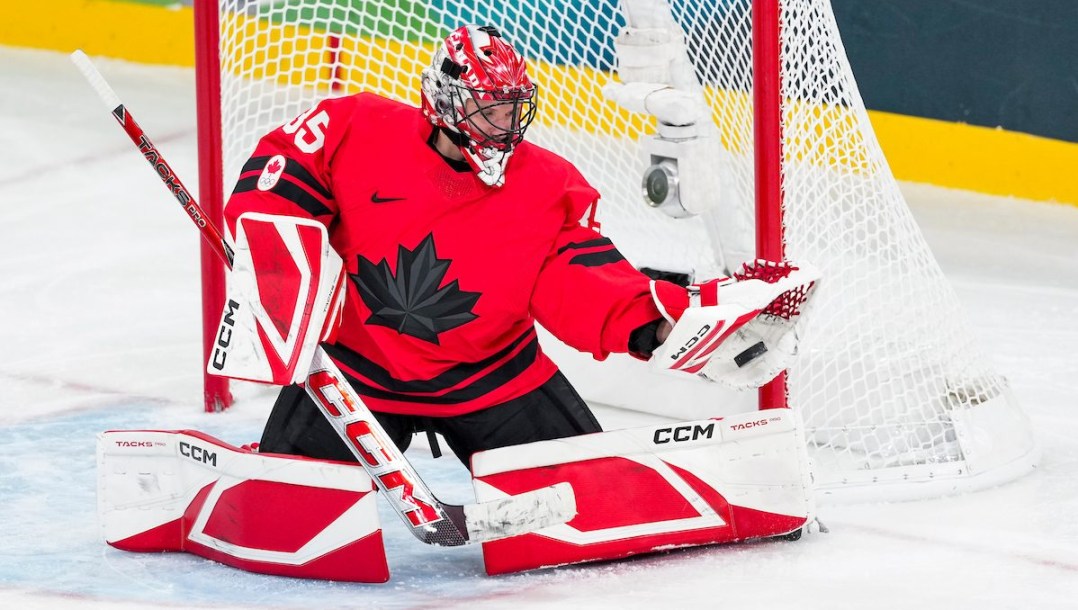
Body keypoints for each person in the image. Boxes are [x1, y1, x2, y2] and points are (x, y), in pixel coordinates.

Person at [223, 24, 686, 469]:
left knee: (592, 500)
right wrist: (277, 260)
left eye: (512, 106)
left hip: (493, 378)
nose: (506, 122)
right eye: (490, 107)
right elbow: (275, 187)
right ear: (444, 102)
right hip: (352, 374)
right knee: (288, 514)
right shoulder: (355, 127)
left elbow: (577, 276)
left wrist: (656, 324)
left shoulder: (549, 183)